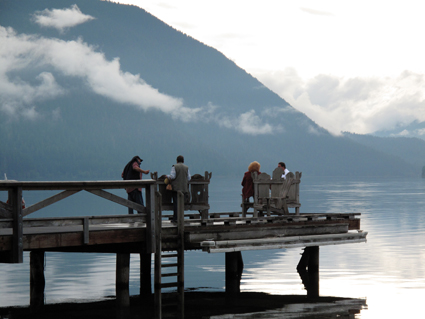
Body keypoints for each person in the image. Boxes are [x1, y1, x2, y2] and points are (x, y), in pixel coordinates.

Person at [166, 155, 191, 222]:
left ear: (177, 161)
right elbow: (189, 178)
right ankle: (181, 218)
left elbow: (173, 176)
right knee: (181, 204)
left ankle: (175, 218)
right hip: (184, 189)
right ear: (183, 161)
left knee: (176, 204)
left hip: (176, 188)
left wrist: (167, 176)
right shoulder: (186, 167)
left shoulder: (175, 166)